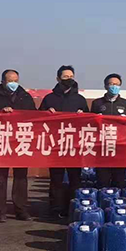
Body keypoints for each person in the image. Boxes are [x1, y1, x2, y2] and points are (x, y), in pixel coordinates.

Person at [0, 69, 37, 222]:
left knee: (21, 177)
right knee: (0, 177)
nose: (13, 83)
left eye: (15, 80)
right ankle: (0, 211)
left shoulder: (25, 96)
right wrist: (1, 112)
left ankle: (21, 210)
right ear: (3, 81)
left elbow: (34, 116)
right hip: (1, 141)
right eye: (10, 81)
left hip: (20, 141)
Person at [38, 65, 89, 219]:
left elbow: (89, 121)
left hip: (75, 145)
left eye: (71, 76)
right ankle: (55, 208)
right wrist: (46, 113)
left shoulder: (80, 99)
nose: (69, 79)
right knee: (56, 179)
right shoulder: (49, 99)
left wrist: (83, 115)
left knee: (75, 178)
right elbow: (37, 119)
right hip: (56, 145)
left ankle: (73, 207)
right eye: (65, 77)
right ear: (58, 78)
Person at [90, 73, 126, 189]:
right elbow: (90, 125)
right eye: (111, 84)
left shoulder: (125, 103)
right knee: (102, 180)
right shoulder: (97, 103)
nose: (114, 87)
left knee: (119, 180)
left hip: (120, 146)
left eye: (117, 84)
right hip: (102, 147)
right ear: (105, 86)